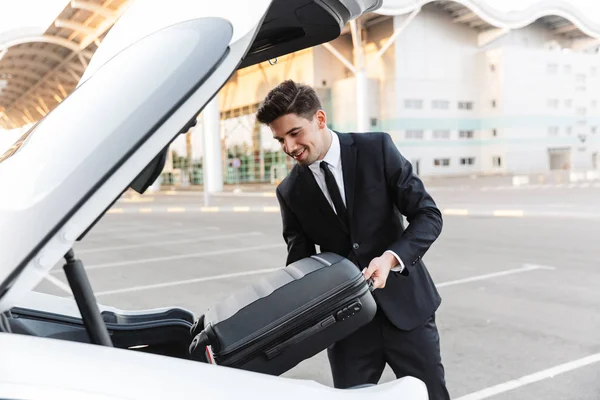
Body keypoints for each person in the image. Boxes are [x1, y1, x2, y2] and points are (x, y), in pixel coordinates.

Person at [255, 79, 450, 399]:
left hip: (407, 312)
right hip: (347, 325)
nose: (289, 148)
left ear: (319, 119)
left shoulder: (378, 149)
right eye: (280, 140)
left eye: (294, 133)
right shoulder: (289, 192)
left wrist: (390, 259)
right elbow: (302, 262)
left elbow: (428, 215)